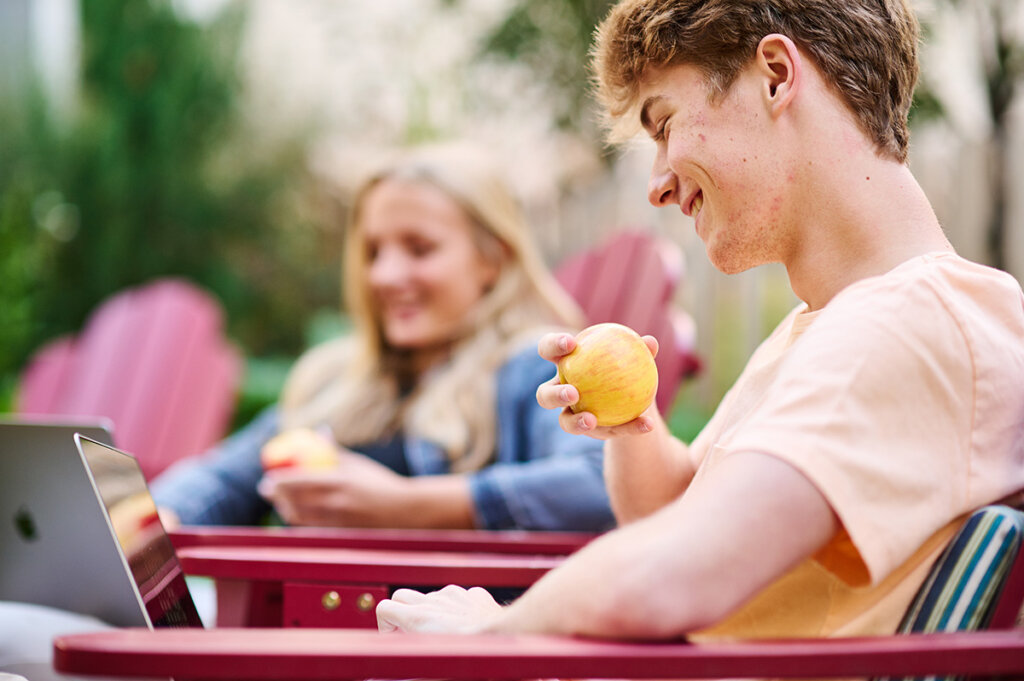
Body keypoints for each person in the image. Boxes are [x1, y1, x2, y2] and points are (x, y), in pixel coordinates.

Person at [375, 0, 1024, 640]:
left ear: (775, 76)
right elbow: (674, 517)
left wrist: (500, 628)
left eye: (664, 125)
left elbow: (671, 574)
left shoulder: (903, 325)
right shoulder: (840, 324)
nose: (656, 183)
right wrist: (634, 424)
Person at [151, 143, 615, 533]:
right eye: (373, 251)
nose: (386, 275)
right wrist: (159, 519)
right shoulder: (338, 380)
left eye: (419, 249)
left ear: (492, 259)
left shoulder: (533, 370)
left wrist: (410, 505)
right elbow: (224, 479)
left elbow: (601, 484)